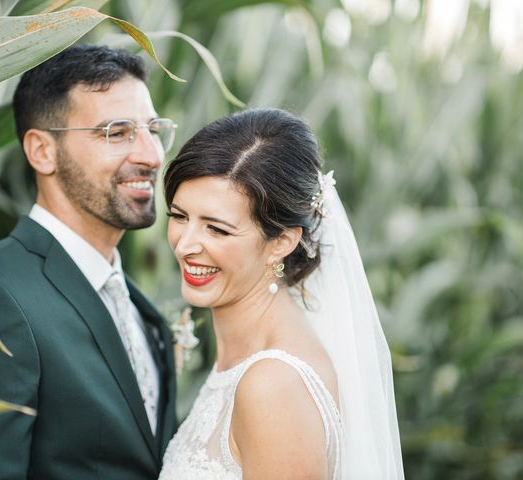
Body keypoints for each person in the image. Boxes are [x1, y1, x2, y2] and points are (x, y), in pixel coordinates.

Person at [0, 44, 178, 479]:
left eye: (153, 129)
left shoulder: (143, 313)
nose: (151, 156)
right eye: (116, 132)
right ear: (42, 151)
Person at [159, 108, 404, 479]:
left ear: (282, 241)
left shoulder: (272, 386)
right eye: (179, 217)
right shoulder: (250, 354)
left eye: (217, 230)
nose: (185, 245)